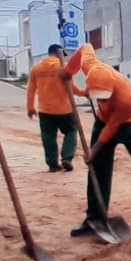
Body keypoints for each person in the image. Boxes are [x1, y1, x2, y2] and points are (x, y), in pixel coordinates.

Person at [62, 43, 131, 233]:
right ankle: (94, 217)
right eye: (99, 99)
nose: (102, 102)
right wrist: (68, 72)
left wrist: (93, 150)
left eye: (105, 98)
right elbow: (85, 47)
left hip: (130, 122)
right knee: (98, 167)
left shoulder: (124, 99)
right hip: (103, 120)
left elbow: (111, 129)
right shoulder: (91, 67)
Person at [26, 44, 77, 172]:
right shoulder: (63, 67)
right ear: (59, 53)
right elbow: (72, 88)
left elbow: (31, 89)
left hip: (45, 110)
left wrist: (30, 107)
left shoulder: (36, 68)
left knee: (48, 136)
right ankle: (67, 158)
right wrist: (84, 93)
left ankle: (52, 164)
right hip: (65, 109)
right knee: (71, 132)